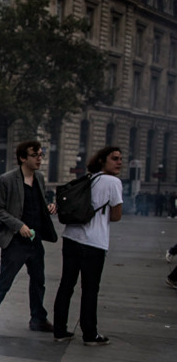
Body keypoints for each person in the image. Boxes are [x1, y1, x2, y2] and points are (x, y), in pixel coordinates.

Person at [0, 141, 58, 342]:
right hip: (15, 242)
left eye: (41, 155)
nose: (39, 159)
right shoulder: (7, 179)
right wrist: (18, 225)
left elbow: (35, 204)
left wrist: (48, 207)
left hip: (35, 240)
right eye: (35, 155)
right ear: (22, 158)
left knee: (38, 281)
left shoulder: (39, 178)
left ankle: (38, 319)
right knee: (3, 283)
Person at [52, 147, 124, 345]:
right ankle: (90, 334)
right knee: (90, 289)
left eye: (120, 159)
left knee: (66, 285)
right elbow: (116, 216)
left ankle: (59, 330)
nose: (119, 162)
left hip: (71, 238)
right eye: (115, 158)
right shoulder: (114, 182)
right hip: (94, 242)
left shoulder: (89, 178)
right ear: (102, 161)